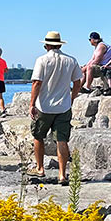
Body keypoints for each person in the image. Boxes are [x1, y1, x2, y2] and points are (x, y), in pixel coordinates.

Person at [28, 31, 82, 184]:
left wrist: (32, 104)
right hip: (63, 106)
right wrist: (72, 98)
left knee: (38, 136)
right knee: (62, 140)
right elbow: (77, 82)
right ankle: (62, 174)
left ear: (47, 45)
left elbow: (36, 83)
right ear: (59, 44)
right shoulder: (71, 60)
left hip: (43, 106)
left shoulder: (42, 60)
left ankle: (40, 168)